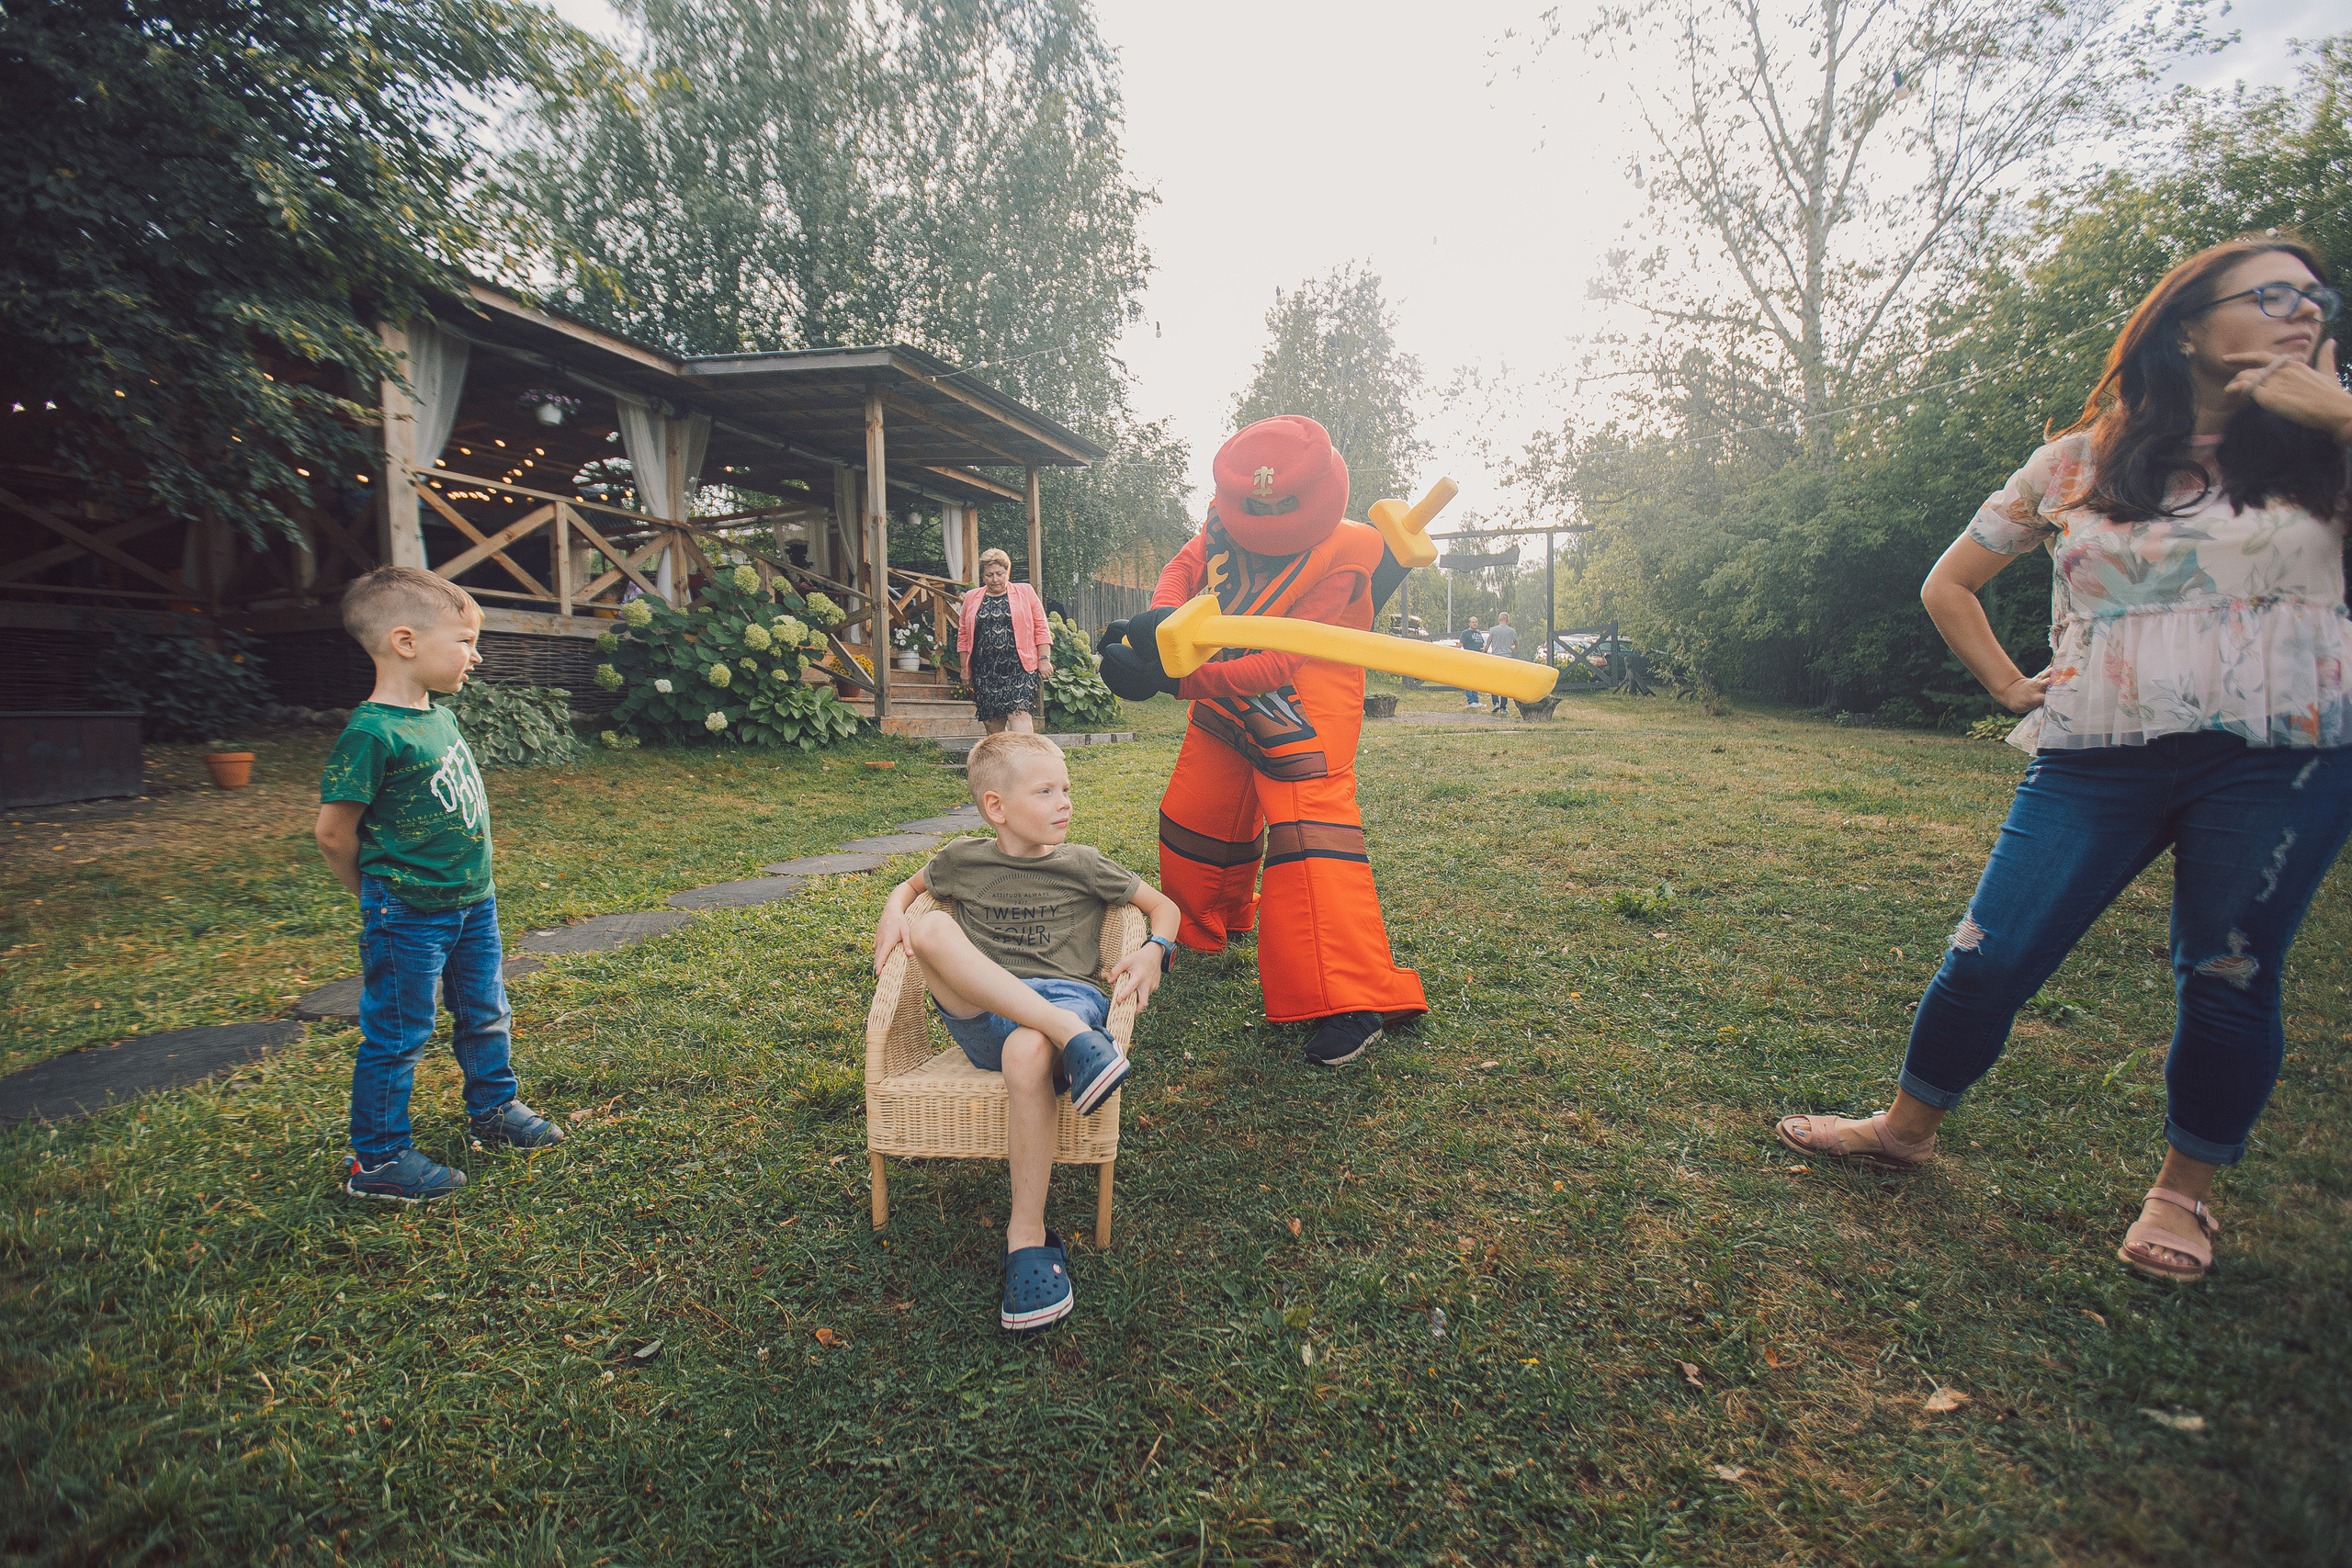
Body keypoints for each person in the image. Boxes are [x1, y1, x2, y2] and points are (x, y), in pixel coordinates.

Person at [1776, 236, 2352, 1283]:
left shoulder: (2326, 457)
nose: (2302, 311)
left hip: (2281, 757)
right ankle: (1904, 1128)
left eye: (2314, 296)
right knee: (1989, 949)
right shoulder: (2076, 465)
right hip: (2098, 750)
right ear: (2186, 323)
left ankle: (2181, 1197)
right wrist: (2008, 684)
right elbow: (1949, 582)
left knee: (2227, 973)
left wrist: (2343, 421)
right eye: (2269, 294)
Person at [1096, 415, 1430, 1066]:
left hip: (1304, 713)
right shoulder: (1222, 522)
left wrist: (1179, 682)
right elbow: (1184, 567)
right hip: (1224, 699)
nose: (1270, 510)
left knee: (1311, 848)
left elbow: (1278, 663)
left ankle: (1351, 1001)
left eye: (1283, 502)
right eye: (1259, 503)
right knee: (1196, 814)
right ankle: (1203, 923)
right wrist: (1158, 625)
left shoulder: (1348, 555)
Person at [871, 732, 1181, 1331]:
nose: (1064, 801)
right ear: (996, 806)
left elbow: (1163, 906)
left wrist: (1152, 950)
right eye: (1046, 791)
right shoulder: (962, 859)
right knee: (932, 933)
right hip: (987, 1013)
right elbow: (909, 893)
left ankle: (1025, 1239)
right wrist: (892, 910)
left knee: (1027, 1047)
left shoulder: (1084, 863)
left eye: (1066, 788)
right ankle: (1070, 1035)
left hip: (1058, 1006)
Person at [314, 568, 565, 1202]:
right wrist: (375, 898)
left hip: (472, 903)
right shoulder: (372, 733)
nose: (475, 655)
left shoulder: (436, 716)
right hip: (407, 911)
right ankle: (377, 1160)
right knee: (399, 1032)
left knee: (485, 1012)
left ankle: (493, 1108)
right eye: (463, 641)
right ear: (404, 641)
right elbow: (334, 833)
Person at [957, 547, 1054, 734]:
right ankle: (1002, 761)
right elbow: (963, 636)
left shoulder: (1025, 592)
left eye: (1000, 574)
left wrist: (1044, 659)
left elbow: (1041, 626)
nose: (995, 580)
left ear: (1007, 572)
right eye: (989, 575)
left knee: (1019, 714)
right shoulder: (971, 597)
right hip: (985, 670)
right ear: (982, 576)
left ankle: (1024, 760)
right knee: (993, 723)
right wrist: (964, 670)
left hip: (1020, 667)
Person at [1484, 612, 1518, 714]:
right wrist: (1509, 648)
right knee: (1505, 683)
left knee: (1494, 682)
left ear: (1499, 619)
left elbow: (1487, 645)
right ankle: (1503, 708)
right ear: (1507, 620)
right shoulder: (1512, 631)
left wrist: (1484, 651)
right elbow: (1516, 645)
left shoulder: (1493, 630)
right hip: (1507, 658)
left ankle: (1495, 703)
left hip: (1496, 658)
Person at [1458, 615, 1486, 706]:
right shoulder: (1465, 633)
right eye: (1473, 622)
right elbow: (1461, 644)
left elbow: (1481, 644)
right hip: (1468, 658)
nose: (1475, 624)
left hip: (1478, 658)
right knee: (1469, 679)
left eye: (1476, 622)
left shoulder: (1479, 633)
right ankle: (1471, 701)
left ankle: (1476, 700)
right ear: (1469, 623)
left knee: (1475, 680)